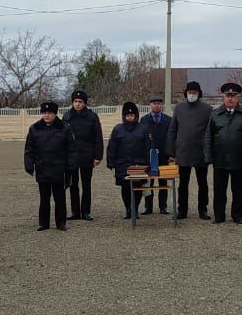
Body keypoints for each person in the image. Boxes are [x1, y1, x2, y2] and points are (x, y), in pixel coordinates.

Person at [204, 82, 242, 224]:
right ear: (223, 97)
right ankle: (219, 216)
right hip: (220, 159)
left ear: (237, 98)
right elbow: (208, 136)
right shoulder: (215, 114)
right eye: (228, 96)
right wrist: (208, 157)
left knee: (238, 191)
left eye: (233, 96)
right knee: (219, 191)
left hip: (238, 159)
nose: (230, 99)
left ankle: (238, 216)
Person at [23, 100, 75, 230]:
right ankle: (43, 223)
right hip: (42, 167)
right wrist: (29, 165)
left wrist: (71, 167)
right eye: (44, 112)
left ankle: (61, 223)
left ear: (55, 114)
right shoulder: (34, 128)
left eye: (50, 113)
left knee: (60, 198)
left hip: (59, 168)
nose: (47, 115)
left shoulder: (64, 127)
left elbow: (72, 149)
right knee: (44, 198)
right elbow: (29, 149)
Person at [167, 80, 213, 220]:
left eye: (194, 92)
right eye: (189, 92)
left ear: (199, 94)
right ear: (185, 93)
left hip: (200, 152)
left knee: (202, 183)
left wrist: (209, 152)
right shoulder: (179, 108)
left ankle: (203, 210)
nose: (191, 94)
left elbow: (211, 132)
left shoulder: (207, 109)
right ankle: (182, 210)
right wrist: (171, 152)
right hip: (183, 152)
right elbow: (172, 130)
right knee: (183, 184)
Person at [62, 90, 103, 221]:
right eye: (75, 102)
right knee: (73, 185)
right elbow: (62, 137)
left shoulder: (92, 117)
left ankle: (86, 211)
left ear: (84, 103)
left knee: (86, 185)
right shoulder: (67, 116)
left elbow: (98, 137)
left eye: (80, 102)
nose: (77, 104)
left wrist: (98, 156)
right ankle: (75, 212)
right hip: (71, 156)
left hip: (87, 155)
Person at [106, 102, 149, 218]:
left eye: (132, 116)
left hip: (139, 164)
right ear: (124, 116)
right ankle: (128, 209)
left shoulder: (143, 129)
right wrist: (111, 162)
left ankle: (135, 209)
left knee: (138, 187)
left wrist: (149, 163)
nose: (130, 118)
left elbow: (148, 147)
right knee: (125, 188)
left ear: (136, 116)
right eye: (128, 116)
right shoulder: (118, 129)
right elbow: (112, 146)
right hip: (122, 164)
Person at [139, 95, 171, 215]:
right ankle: (148, 207)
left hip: (164, 155)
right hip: (149, 156)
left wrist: (171, 153)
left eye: (158, 103)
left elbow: (171, 137)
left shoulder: (168, 120)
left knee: (163, 182)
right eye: (154, 103)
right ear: (150, 105)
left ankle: (163, 206)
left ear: (161, 105)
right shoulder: (144, 120)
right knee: (148, 182)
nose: (156, 105)